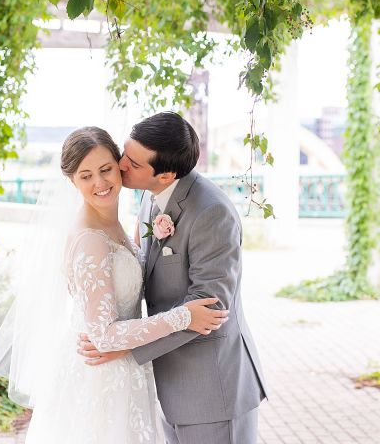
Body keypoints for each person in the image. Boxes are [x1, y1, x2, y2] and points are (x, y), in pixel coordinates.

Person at [0, 126, 228, 444]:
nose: (100, 183)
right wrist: (183, 316)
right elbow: (103, 335)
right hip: (100, 379)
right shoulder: (89, 240)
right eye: (86, 176)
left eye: (105, 169)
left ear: (119, 166)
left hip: (126, 370)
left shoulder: (118, 220)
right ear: (72, 181)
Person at [78, 112, 268, 444]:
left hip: (213, 390)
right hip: (169, 385)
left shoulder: (212, 212)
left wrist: (124, 347)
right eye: (125, 153)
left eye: (133, 164)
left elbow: (211, 308)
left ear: (165, 175)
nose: (121, 165)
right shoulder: (150, 197)